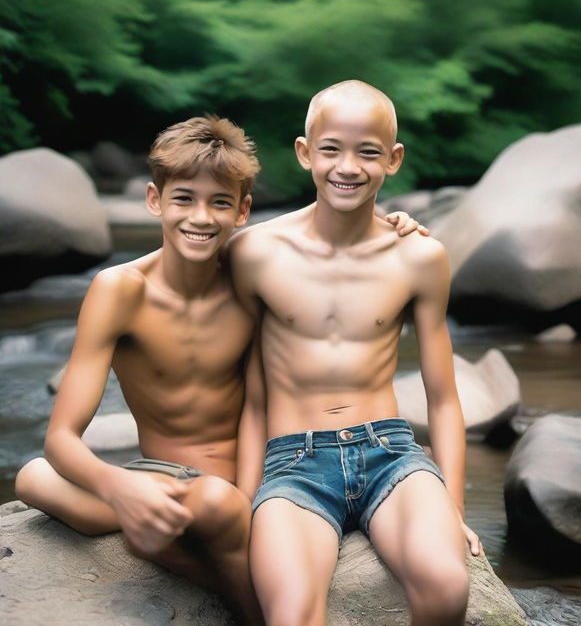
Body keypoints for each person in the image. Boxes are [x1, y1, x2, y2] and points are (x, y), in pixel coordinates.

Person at [14, 114, 424, 624]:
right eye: (183, 199)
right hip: (163, 479)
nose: (201, 218)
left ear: (244, 210)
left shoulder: (249, 276)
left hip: (253, 482)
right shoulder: (120, 290)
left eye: (221, 203)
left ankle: (221, 588)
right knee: (33, 477)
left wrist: (391, 224)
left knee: (213, 500)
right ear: (154, 200)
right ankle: (180, 552)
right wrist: (123, 489)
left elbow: (327, 237)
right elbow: (61, 438)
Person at [230, 80, 482, 626]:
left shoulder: (419, 256)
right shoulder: (254, 252)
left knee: (445, 585)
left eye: (368, 152)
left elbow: (442, 398)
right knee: (293, 616)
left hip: (389, 453)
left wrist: (451, 508)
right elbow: (251, 398)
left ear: (393, 160)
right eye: (331, 150)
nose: (348, 166)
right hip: (293, 465)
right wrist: (248, 499)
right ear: (304, 153)